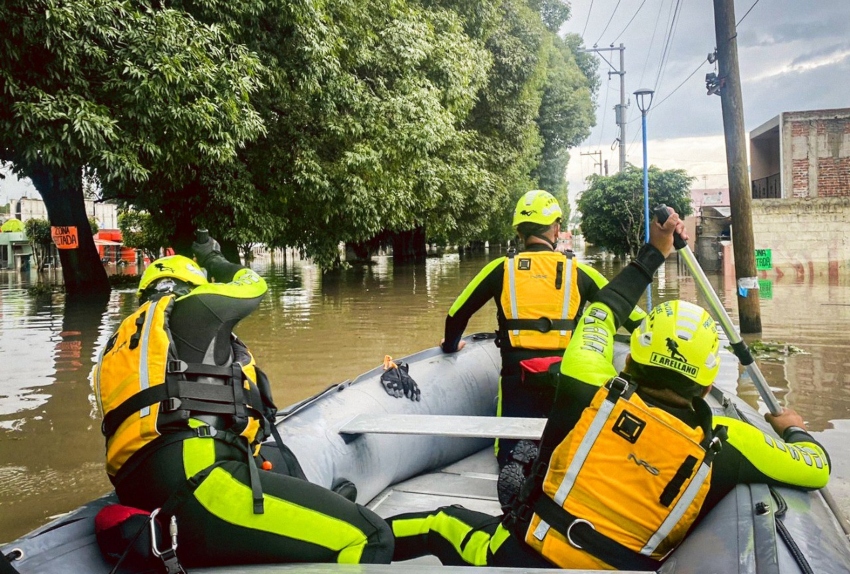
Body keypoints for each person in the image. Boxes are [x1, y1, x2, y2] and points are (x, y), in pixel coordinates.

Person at [388, 208, 830, 570]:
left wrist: (652, 253)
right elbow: (816, 467)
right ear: (708, 381)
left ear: (633, 357)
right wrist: (792, 428)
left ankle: (350, 545)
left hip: (524, 553)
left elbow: (602, 312)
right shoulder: (731, 445)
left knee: (442, 523)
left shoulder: (587, 385)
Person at [92, 238, 393, 568]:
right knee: (370, 535)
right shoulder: (197, 305)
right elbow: (254, 284)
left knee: (278, 458)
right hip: (199, 483)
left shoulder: (117, 347)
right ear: (193, 285)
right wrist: (216, 259)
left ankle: (323, 504)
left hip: (140, 493)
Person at [441, 189, 646, 469]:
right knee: (569, 447)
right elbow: (634, 317)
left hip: (517, 377)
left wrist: (451, 346)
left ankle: (515, 458)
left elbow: (456, 314)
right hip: (568, 379)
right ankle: (557, 461)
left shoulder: (502, 268)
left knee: (509, 453)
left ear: (519, 232)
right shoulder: (579, 271)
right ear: (556, 229)